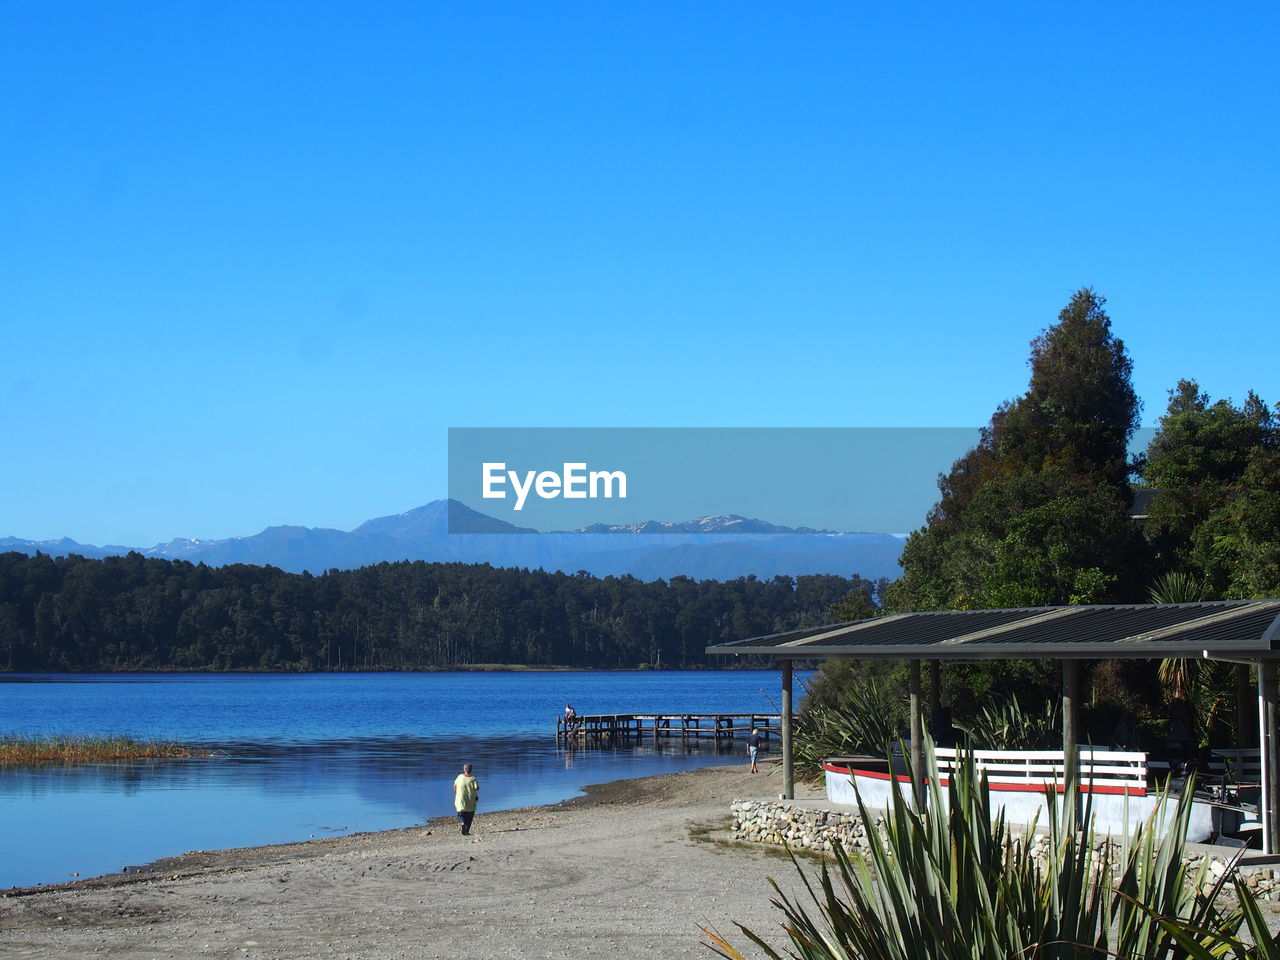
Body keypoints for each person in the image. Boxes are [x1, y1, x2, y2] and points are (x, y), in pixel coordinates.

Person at [453, 763, 479, 836]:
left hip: (460, 799)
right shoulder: (473, 778)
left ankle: (463, 823)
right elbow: (476, 788)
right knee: (469, 816)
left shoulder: (459, 777)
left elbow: (455, 785)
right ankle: (466, 830)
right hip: (470, 801)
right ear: (471, 770)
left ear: (464, 769)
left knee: (461, 813)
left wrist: (456, 793)